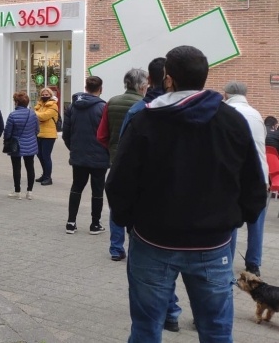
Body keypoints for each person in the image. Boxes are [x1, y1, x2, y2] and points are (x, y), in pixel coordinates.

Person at [105, 45, 267, 343]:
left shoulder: (146, 119)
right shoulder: (231, 121)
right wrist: (233, 220)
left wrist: (130, 222)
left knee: (145, 329)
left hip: (153, 241)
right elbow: (255, 184)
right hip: (212, 244)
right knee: (216, 330)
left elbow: (118, 182)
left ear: (168, 79)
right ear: (205, 77)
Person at [118, 58, 182, 333]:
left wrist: (124, 216)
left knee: (149, 279)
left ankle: (166, 313)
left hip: (147, 214)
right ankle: (172, 312)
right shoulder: (207, 113)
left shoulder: (138, 111)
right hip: (194, 218)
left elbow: (122, 161)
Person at [97, 68, 148, 261]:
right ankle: (137, 246)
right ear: (143, 86)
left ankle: (116, 248)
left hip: (117, 161)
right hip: (139, 164)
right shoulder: (145, 105)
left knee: (116, 205)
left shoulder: (111, 102)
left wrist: (112, 150)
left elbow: (102, 135)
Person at [223, 81, 269, 278]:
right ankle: (253, 264)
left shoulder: (225, 113)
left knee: (230, 222)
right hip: (260, 176)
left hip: (235, 177)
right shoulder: (257, 114)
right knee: (256, 223)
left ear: (226, 94)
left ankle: (226, 261)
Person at [62, 76, 108, 235]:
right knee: (97, 190)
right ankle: (95, 224)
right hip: (99, 156)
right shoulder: (103, 107)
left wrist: (73, 148)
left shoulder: (73, 107)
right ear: (100, 89)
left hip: (79, 156)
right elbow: (107, 133)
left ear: (86, 88)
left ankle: (71, 222)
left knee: (76, 187)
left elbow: (65, 134)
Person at [3, 91, 39, 200]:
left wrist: (6, 140)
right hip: (31, 144)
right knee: (30, 167)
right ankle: (29, 192)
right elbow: (37, 130)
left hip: (16, 145)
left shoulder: (13, 115)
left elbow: (7, 132)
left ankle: (17, 191)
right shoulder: (33, 114)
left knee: (16, 168)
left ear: (17, 102)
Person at [34, 88, 59, 185]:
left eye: (46, 94)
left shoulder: (53, 105)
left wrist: (35, 114)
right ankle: (44, 174)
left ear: (50, 95)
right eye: (43, 94)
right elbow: (40, 116)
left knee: (46, 156)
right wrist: (38, 115)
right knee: (39, 155)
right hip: (39, 133)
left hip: (49, 135)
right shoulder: (39, 105)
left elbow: (44, 116)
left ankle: (48, 177)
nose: (44, 96)